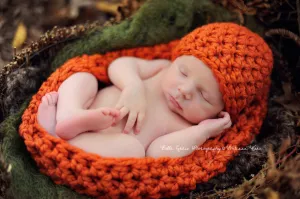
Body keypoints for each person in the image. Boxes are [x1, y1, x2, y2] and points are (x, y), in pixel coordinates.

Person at [36, 23, 273, 158]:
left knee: (133, 150)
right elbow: (118, 65)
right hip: (88, 108)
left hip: (103, 146)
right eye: (183, 72)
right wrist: (133, 85)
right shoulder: (161, 68)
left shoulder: (188, 127)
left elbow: (158, 153)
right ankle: (68, 113)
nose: (184, 90)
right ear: (176, 58)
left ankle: (60, 137)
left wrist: (201, 133)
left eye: (204, 95)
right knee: (83, 78)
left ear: (221, 111)